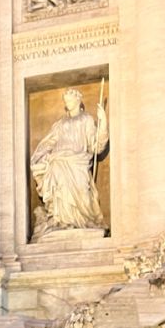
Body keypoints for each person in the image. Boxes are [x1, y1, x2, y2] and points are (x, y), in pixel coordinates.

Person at [30, 87, 109, 239]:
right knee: (58, 183)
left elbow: (96, 145)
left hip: (78, 162)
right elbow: (49, 143)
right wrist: (40, 157)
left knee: (82, 192)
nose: (68, 103)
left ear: (78, 100)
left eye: (70, 100)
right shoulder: (60, 124)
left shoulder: (86, 119)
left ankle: (83, 220)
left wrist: (103, 122)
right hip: (58, 161)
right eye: (66, 100)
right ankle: (61, 221)